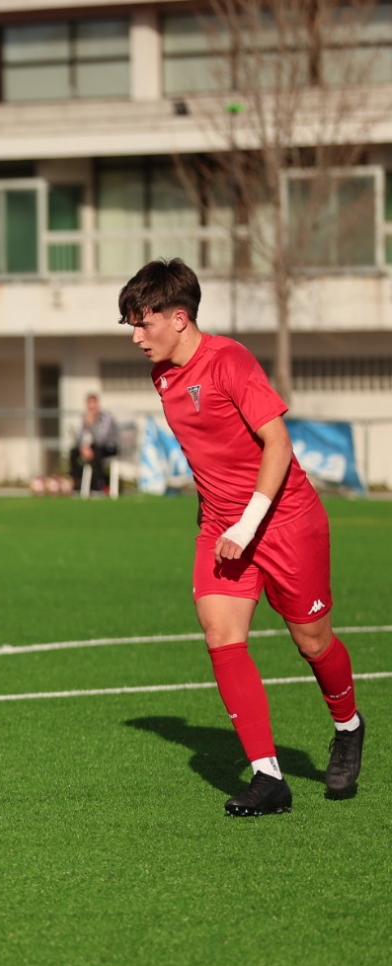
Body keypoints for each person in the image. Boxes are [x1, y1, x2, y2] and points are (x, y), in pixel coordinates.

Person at [120, 258, 362, 815]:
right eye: (131, 325)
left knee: (313, 643)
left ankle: (348, 725)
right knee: (220, 633)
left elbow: (277, 444)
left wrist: (248, 523)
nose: (137, 337)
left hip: (284, 520)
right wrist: (218, 521)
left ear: (179, 318)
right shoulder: (162, 375)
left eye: (143, 323)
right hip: (220, 527)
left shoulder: (230, 361)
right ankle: (268, 776)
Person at [69, 393, 118, 495]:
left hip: (110, 447)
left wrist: (91, 424)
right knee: (74, 452)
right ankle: (77, 483)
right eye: (89, 405)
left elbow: (101, 438)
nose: (92, 408)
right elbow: (78, 437)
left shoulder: (106, 417)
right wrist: (83, 447)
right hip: (94, 447)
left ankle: (99, 485)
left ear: (97, 404)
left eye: (94, 404)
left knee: (97, 451)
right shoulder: (85, 417)